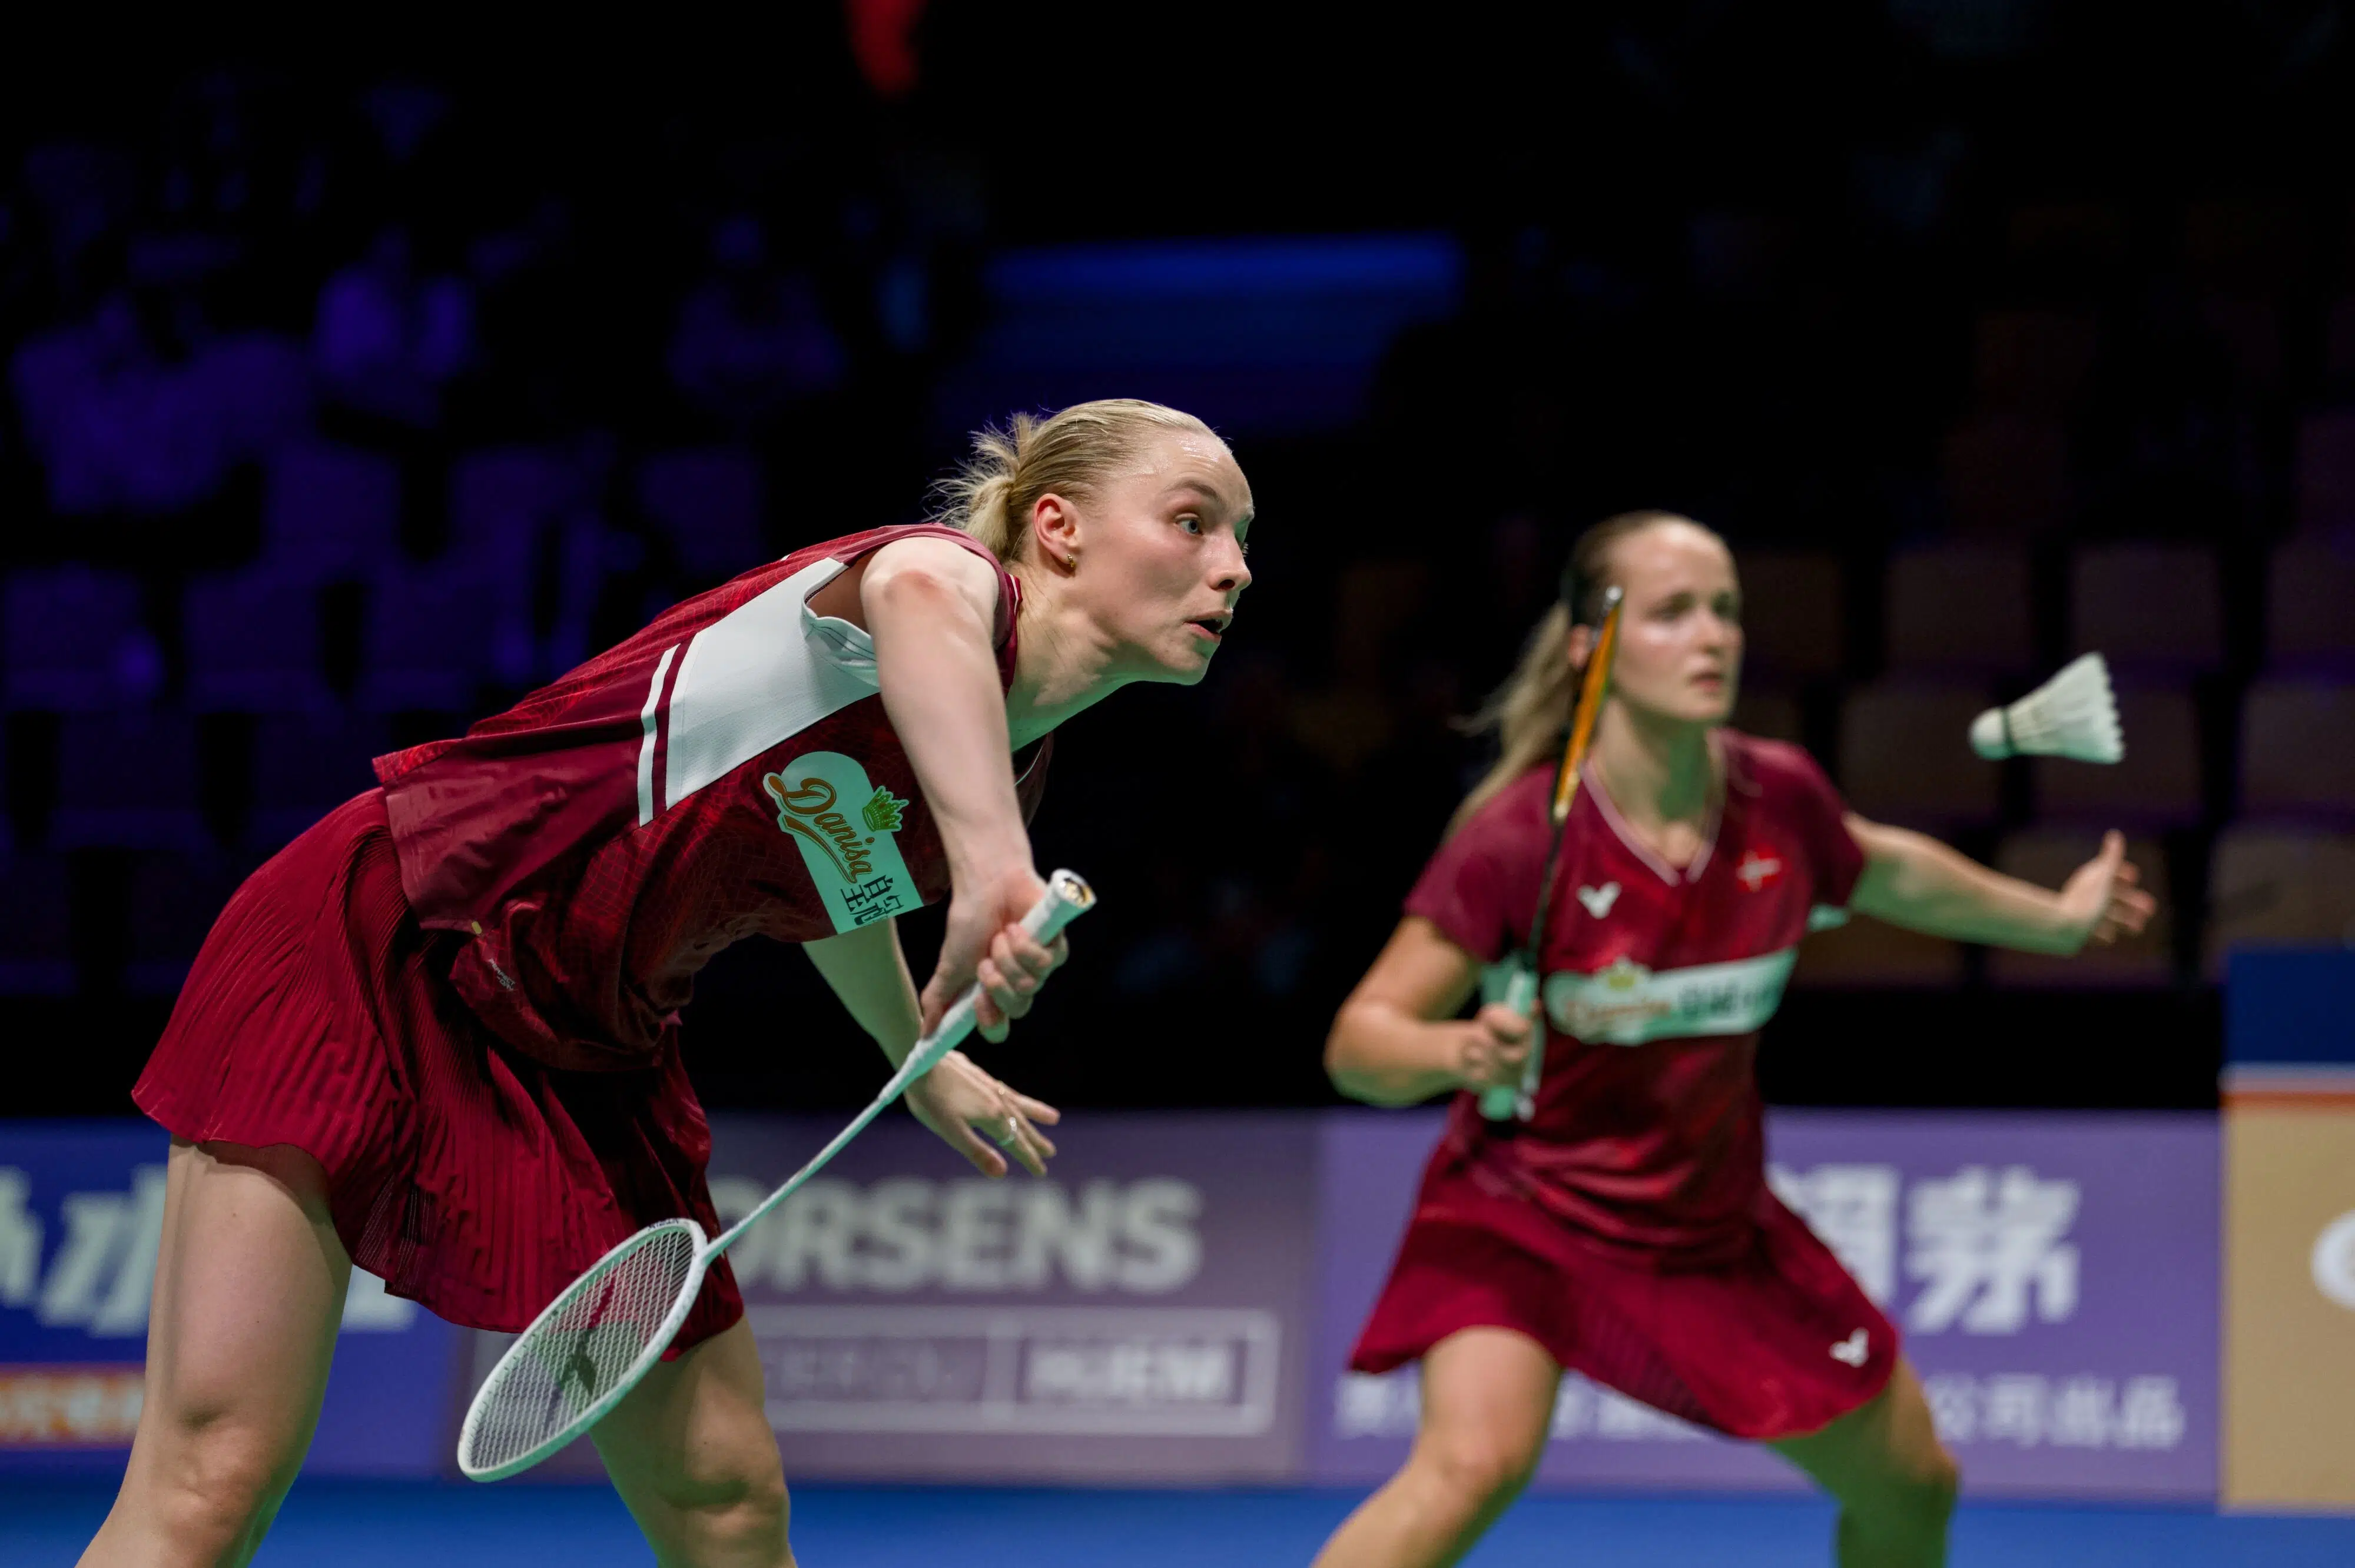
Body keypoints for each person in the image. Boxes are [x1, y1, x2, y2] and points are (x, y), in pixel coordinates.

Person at [85, 398, 1254, 1568]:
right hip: (402, 934)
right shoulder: (938, 578)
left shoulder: (998, 747)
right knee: (213, 1478)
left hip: (591, 1050)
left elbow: (832, 870)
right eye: (1192, 522)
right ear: (1054, 527)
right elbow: (914, 599)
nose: (1234, 569)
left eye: (1241, 539)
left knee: (723, 1494)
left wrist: (919, 1057)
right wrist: (992, 864)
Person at [1312, 510, 2154, 1568]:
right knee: (1469, 1469)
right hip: (1523, 1209)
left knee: (1916, 1490)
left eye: (1725, 612)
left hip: (1710, 1226)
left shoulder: (1776, 800)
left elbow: (1887, 868)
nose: (1712, 637)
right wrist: (1453, 1054)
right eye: (1672, 614)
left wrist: (2055, 918)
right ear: (1592, 647)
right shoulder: (1524, 840)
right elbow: (1359, 1040)